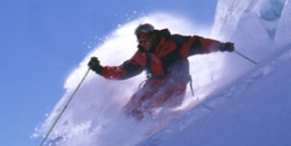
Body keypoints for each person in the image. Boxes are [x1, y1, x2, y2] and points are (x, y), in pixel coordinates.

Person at [88, 22, 235, 120]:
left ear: (153, 36)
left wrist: (221, 46)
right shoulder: (143, 55)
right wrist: (99, 69)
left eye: (145, 40)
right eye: (140, 42)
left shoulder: (175, 44)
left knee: (145, 105)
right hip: (154, 84)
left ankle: (146, 130)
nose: (143, 44)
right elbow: (123, 71)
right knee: (134, 104)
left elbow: (201, 44)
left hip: (175, 87)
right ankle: (124, 135)